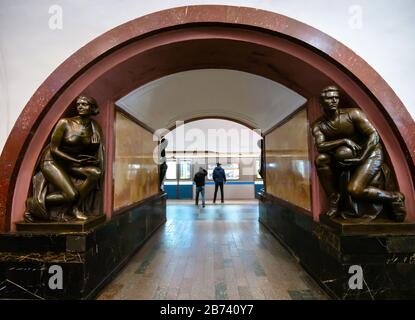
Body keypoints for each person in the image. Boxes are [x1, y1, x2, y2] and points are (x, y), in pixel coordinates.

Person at [311, 85, 405, 221]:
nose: (334, 101)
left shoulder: (353, 114)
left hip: (370, 153)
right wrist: (343, 141)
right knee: (321, 159)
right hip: (347, 157)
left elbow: (373, 135)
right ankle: (334, 198)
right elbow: (320, 146)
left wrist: (362, 157)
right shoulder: (318, 124)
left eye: (336, 98)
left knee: (355, 190)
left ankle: (395, 197)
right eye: (329, 98)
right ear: (321, 102)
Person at [25, 95, 104, 222]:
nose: (80, 107)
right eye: (78, 104)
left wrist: (93, 147)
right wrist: (76, 161)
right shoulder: (65, 123)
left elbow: (89, 151)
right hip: (52, 161)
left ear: (92, 108)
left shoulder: (94, 127)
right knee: (70, 195)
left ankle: (74, 208)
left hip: (71, 162)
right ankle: (32, 204)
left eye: (84, 104)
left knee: (95, 173)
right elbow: (54, 149)